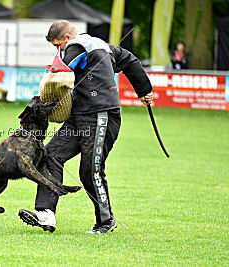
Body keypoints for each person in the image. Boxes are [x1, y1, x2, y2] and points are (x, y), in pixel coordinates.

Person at [18, 20, 153, 234]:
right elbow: (130, 61)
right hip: (80, 115)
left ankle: (106, 221)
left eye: (57, 45)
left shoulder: (78, 46)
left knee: (90, 171)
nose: (58, 50)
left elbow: (58, 73)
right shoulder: (105, 47)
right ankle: (46, 213)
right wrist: (144, 89)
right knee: (50, 154)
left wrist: (43, 98)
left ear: (68, 38)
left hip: (102, 115)